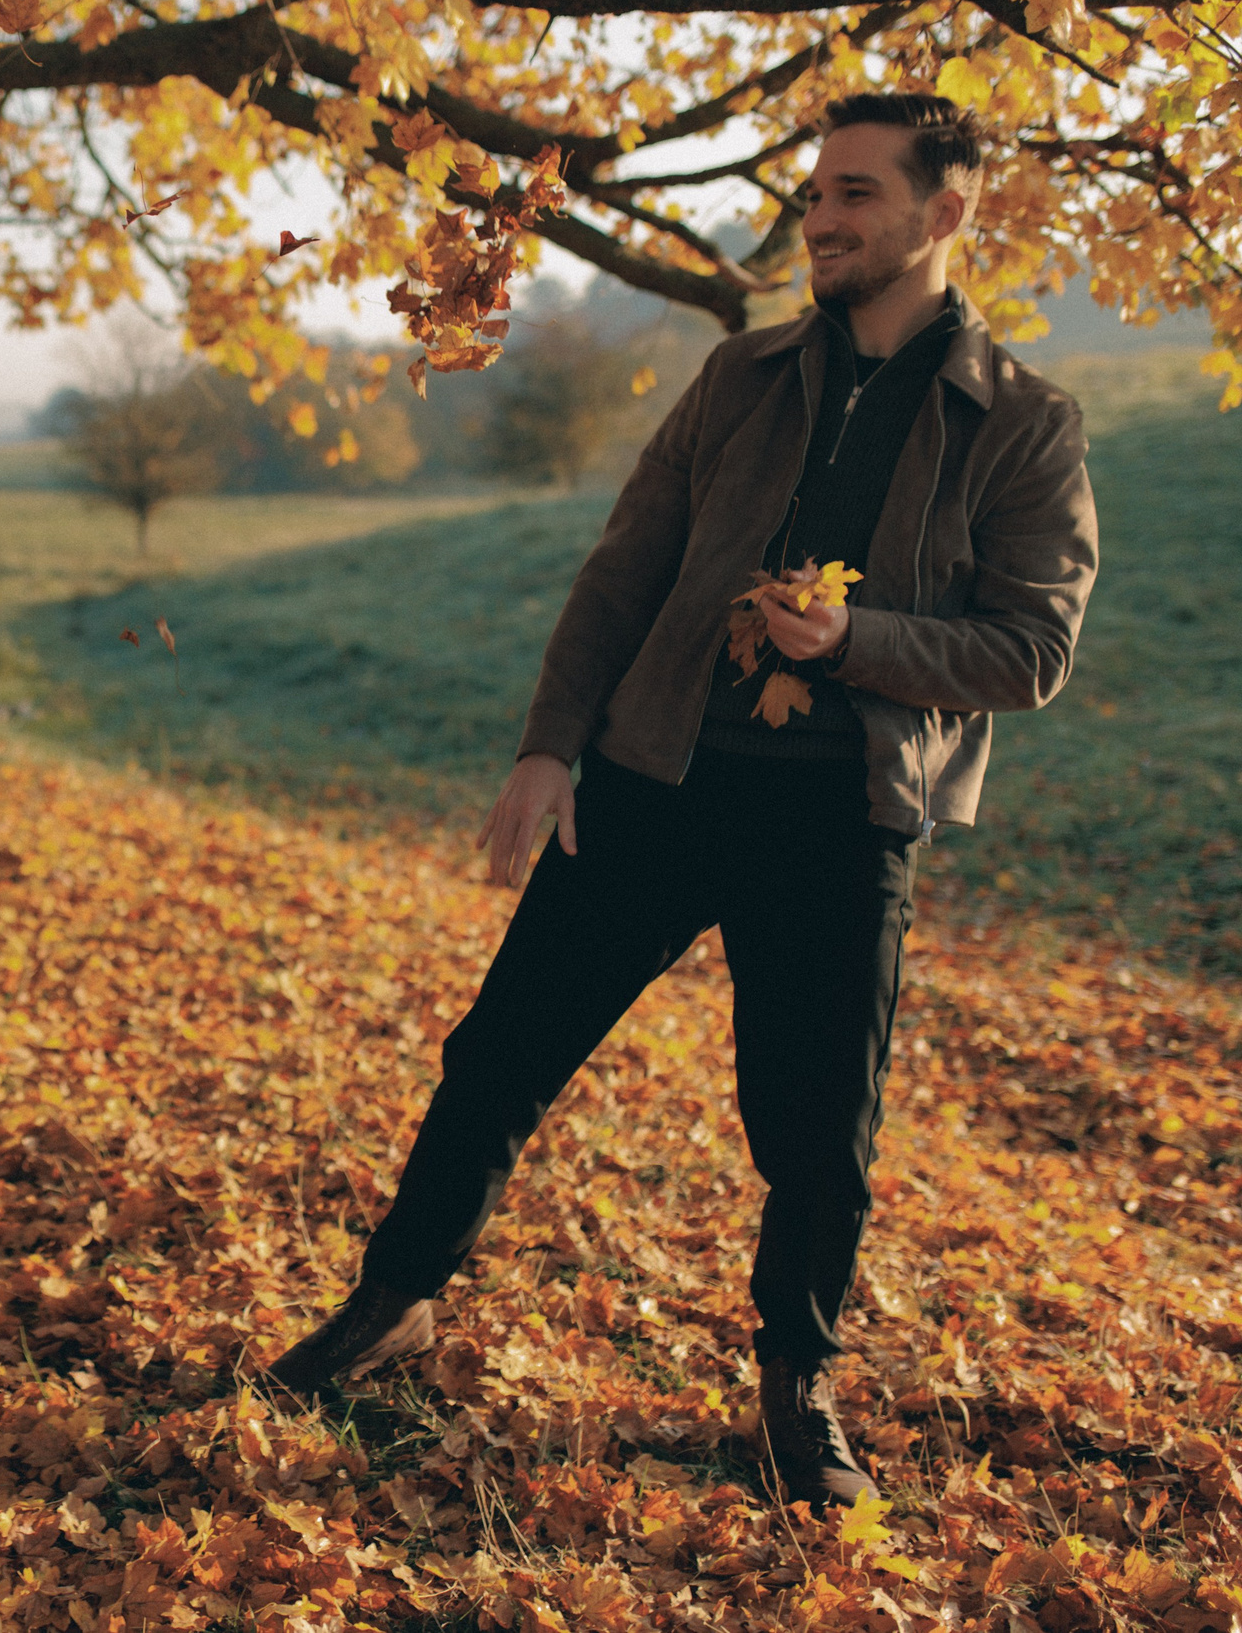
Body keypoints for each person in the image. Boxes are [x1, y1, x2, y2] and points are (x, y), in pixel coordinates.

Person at [266, 93, 1098, 1509]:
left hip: (843, 815)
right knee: (498, 1058)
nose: (820, 221)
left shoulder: (1021, 422)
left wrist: (861, 642)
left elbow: (1034, 651)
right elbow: (625, 569)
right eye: (813, 196)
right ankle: (396, 1299)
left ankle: (795, 1388)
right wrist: (547, 746)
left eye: (854, 195)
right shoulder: (740, 377)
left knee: (817, 1129)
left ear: (946, 214)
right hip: (654, 780)